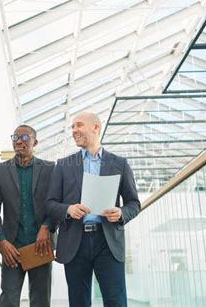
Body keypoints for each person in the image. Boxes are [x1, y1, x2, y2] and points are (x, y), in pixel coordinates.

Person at [45, 112, 140, 307]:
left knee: (116, 301)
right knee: (79, 302)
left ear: (95, 128)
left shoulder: (119, 164)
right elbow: (50, 204)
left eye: (78, 125)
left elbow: (134, 203)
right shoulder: (63, 165)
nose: (74, 131)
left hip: (108, 242)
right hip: (75, 242)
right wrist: (68, 209)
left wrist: (121, 213)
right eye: (72, 127)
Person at [0, 125, 57, 307]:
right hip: (12, 248)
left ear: (35, 142)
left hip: (40, 246)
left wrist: (47, 227)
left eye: (25, 138)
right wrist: (1, 241)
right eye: (15, 137)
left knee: (41, 299)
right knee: (8, 299)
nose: (19, 141)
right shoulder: (1, 170)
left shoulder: (50, 169)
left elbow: (55, 204)